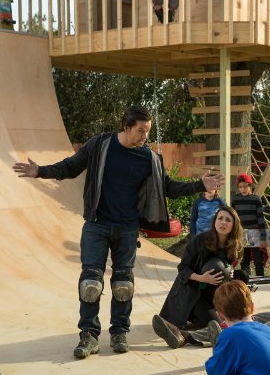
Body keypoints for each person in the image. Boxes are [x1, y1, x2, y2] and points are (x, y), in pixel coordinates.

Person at [12, 105, 225, 359]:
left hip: (127, 228)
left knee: (123, 284)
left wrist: (199, 185)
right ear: (126, 126)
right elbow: (70, 167)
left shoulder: (148, 158)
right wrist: (40, 171)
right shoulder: (100, 145)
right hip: (97, 225)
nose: (145, 136)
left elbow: (168, 187)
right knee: (90, 283)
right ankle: (89, 335)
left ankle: (119, 333)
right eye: (141, 130)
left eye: (148, 131)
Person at [152, 206, 246, 349]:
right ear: (214, 221)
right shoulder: (199, 241)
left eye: (228, 220)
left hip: (214, 295)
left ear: (234, 225)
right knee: (217, 326)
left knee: (243, 276)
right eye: (220, 218)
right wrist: (202, 278)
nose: (223, 222)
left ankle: (186, 334)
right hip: (193, 295)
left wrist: (230, 272)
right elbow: (183, 268)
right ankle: (179, 333)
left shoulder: (235, 246)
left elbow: (230, 265)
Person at [231, 173, 267, 277]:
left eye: (245, 186)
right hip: (241, 235)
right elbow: (234, 220)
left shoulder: (256, 199)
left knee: (258, 262)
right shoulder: (235, 200)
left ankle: (261, 280)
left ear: (250, 186)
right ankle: (246, 281)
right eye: (240, 187)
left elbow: (261, 219)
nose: (243, 189)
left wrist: (263, 238)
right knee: (244, 262)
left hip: (255, 235)